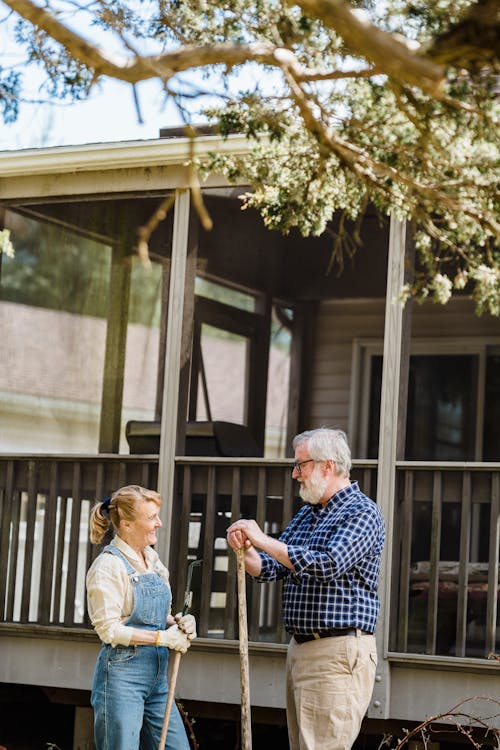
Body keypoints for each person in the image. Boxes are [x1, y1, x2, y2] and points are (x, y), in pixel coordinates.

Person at [226, 428, 385, 750]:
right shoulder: (309, 514)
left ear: (328, 465)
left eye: (302, 465)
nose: (295, 474)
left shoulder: (362, 512)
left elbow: (327, 565)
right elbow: (272, 567)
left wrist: (264, 539)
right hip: (303, 650)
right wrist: (247, 551)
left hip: (336, 651)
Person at [86, 484, 196, 750]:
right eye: (151, 518)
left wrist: (178, 622)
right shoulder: (108, 566)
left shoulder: (152, 560)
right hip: (121, 680)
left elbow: (156, 615)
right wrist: (162, 638)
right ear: (126, 524)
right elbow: (110, 631)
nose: (159, 523)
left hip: (157, 680)